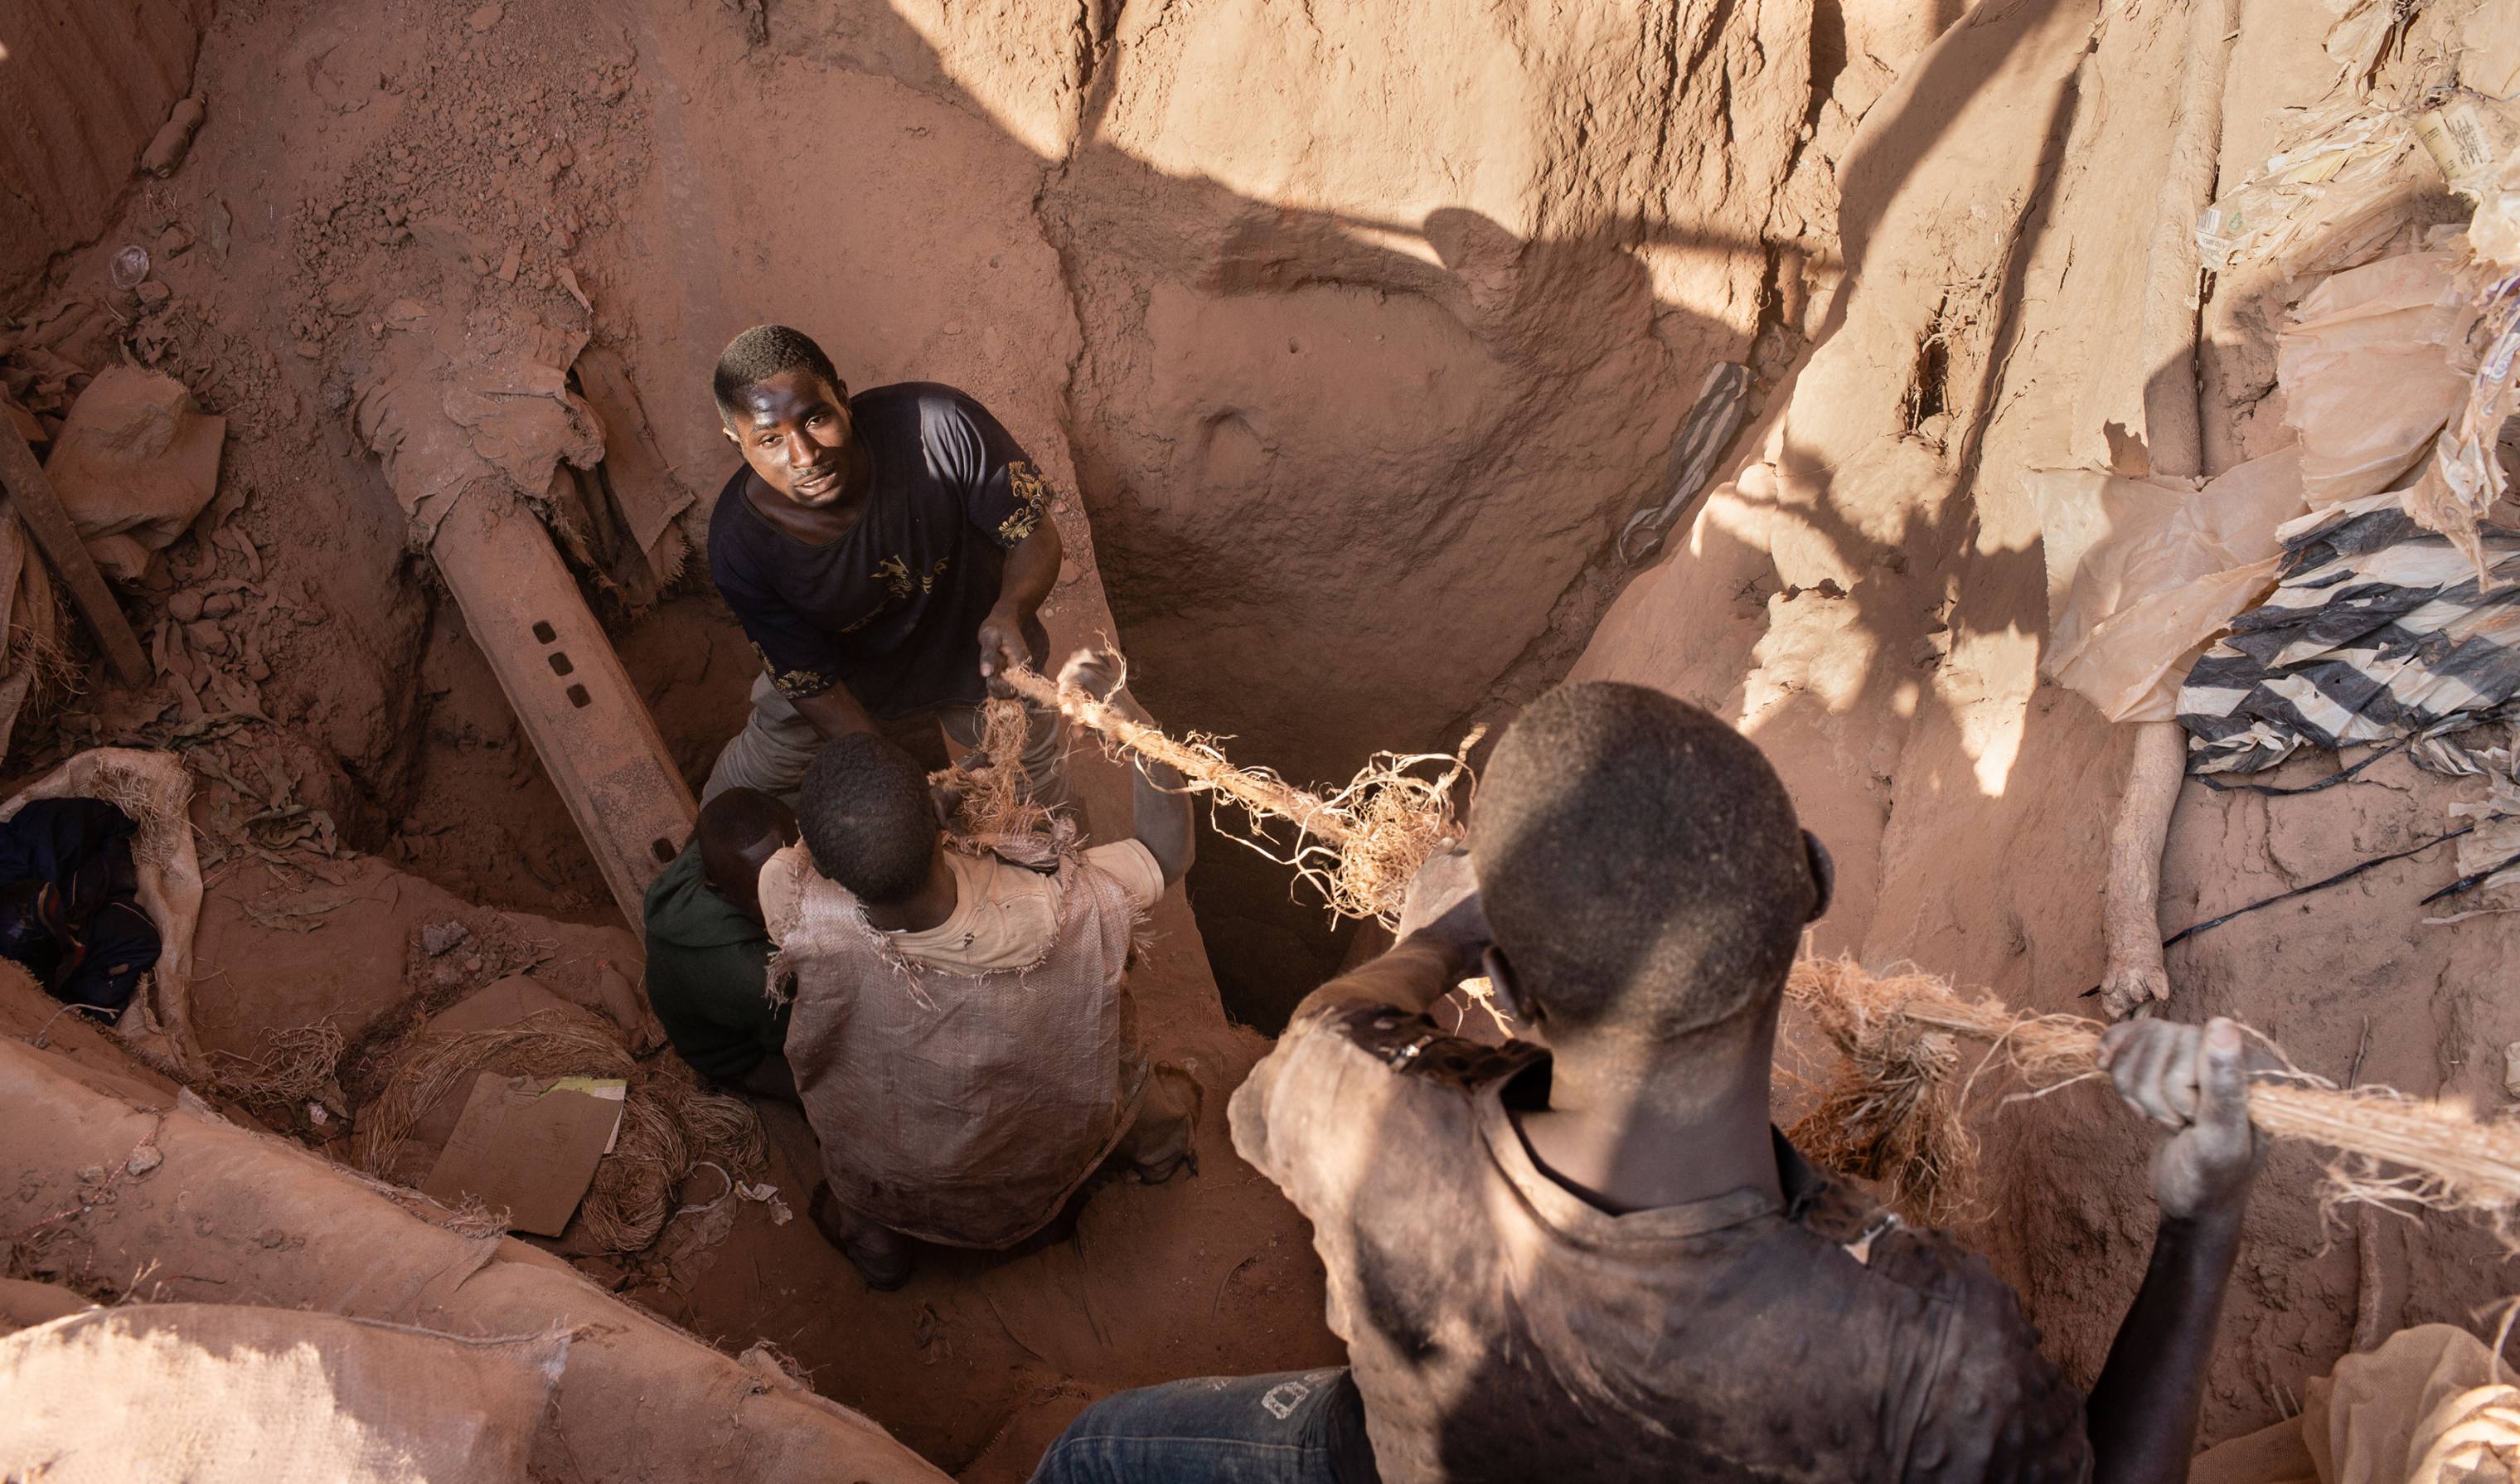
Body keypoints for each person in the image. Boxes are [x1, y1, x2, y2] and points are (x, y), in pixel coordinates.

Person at [1031, 681, 2260, 1484]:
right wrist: (2201, 1220)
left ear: (1510, 989)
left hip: (1392, 1459)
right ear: (1808, 893)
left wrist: (1460, 929)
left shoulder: (1359, 1107)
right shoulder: (1924, 1344)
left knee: (1090, 1455)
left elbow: (1331, 1019)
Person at [759, 653, 1203, 1288]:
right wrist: (1134, 724)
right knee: (1124, 1072)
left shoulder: (793, 899)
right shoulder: (1066, 908)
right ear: (940, 823)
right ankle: (1160, 1154)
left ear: (827, 864)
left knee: (863, 1179)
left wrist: (918, 812)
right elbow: (1168, 852)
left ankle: (881, 1253)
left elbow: (817, 855)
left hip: (891, 1154)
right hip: (1032, 1148)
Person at [702, 323, 1068, 807]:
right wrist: (893, 779)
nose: (805, 456)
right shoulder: (740, 544)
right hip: (842, 677)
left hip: (975, 648)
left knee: (1034, 789)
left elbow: (1034, 533)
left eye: (816, 419)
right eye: (770, 440)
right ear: (737, 445)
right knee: (737, 796)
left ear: (843, 398)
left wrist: (1010, 610)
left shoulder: (939, 426)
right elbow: (811, 685)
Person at [641, 787, 799, 1100]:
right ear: (719, 891)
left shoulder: (725, 851)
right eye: (768, 891)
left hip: (727, 999)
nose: (793, 896)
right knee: (853, 1089)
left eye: (796, 869)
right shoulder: (753, 975)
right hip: (739, 1055)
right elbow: (807, 1041)